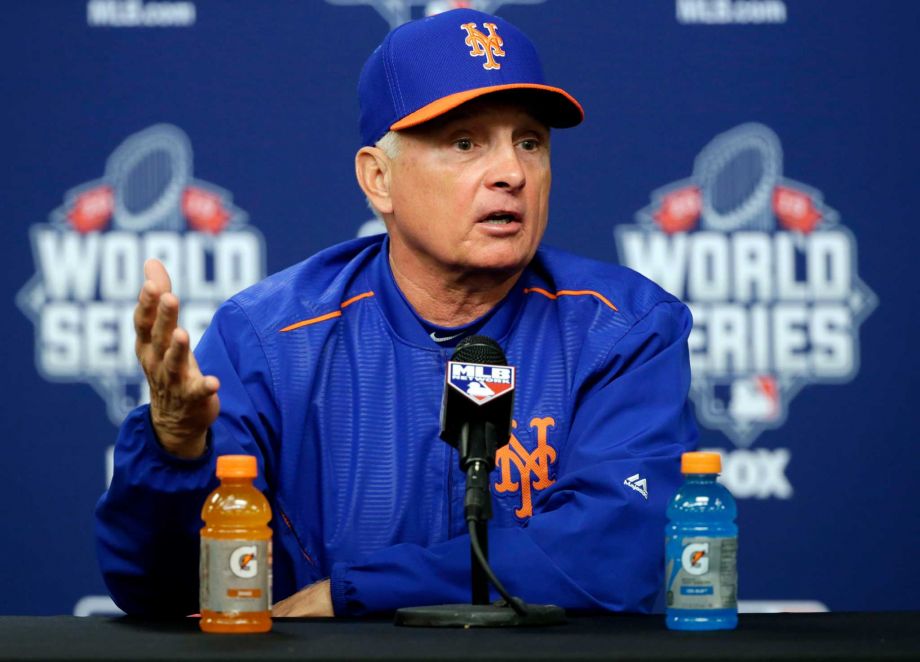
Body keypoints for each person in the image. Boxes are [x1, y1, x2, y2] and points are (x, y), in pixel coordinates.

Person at [95, 8, 697, 618]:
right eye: (465, 142)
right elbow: (166, 591)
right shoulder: (271, 341)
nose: (512, 173)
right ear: (378, 179)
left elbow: (614, 556)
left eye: (530, 142)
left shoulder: (623, 329)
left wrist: (352, 593)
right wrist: (174, 452)